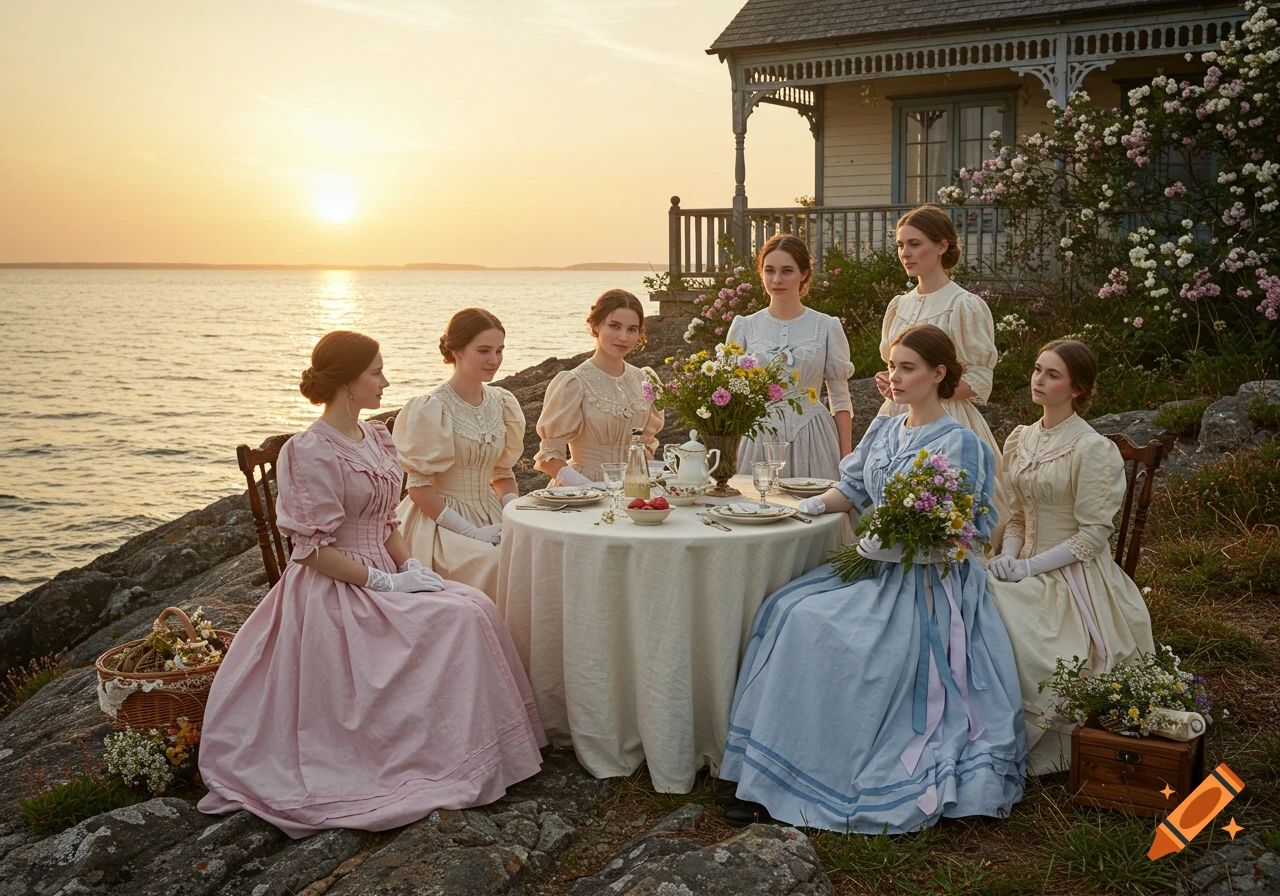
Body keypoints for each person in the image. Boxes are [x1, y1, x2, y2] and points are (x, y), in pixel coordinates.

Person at [198, 331, 546, 837]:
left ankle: (468, 748)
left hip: (384, 568)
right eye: (376, 373)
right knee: (454, 619)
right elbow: (313, 551)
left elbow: (387, 525)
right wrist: (383, 582)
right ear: (346, 383)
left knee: (473, 605)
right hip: (337, 584)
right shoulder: (308, 451)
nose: (385, 381)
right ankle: (427, 756)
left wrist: (409, 568)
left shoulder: (378, 437)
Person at [720, 324, 1025, 833]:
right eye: (891, 367)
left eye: (908, 368)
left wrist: (896, 543)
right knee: (785, 610)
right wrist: (810, 505)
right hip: (876, 566)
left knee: (831, 632)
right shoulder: (885, 428)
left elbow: (967, 533)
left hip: (929, 582)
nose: (894, 377)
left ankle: (820, 775)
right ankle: (763, 767)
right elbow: (854, 488)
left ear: (938, 374)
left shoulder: (962, 443)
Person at [987, 339, 1155, 774]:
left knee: (1008, 619)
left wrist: (1029, 568)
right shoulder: (1021, 439)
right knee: (970, 592)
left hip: (1071, 573)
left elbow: (1093, 536)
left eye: (1053, 375)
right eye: (1038, 370)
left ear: (1078, 388)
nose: (1039, 380)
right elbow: (1019, 516)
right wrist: (1008, 556)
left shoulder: (1091, 448)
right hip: (1021, 562)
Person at [877, 205, 1008, 546]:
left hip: (947, 422)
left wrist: (925, 390)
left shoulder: (964, 304)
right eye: (901, 245)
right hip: (898, 420)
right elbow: (899, 367)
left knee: (947, 514)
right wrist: (894, 381)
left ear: (942, 246)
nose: (906, 253)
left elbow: (980, 379)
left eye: (915, 244)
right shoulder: (898, 305)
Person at [394, 309, 524, 598]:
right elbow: (418, 489)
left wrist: (512, 511)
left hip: (492, 512)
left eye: (500, 350)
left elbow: (502, 474)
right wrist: (472, 533)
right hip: (440, 521)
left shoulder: (502, 402)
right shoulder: (430, 407)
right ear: (456, 351)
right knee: (494, 562)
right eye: (484, 350)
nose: (494, 360)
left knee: (533, 554)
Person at [726, 234, 854, 479]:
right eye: (769, 270)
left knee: (817, 511)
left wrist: (846, 460)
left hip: (814, 437)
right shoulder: (744, 327)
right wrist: (728, 455)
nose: (777, 279)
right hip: (757, 439)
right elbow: (732, 400)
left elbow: (840, 399)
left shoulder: (826, 326)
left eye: (787, 271)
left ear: (804, 273)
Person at [534, 289, 663, 485]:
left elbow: (644, 450)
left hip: (634, 489)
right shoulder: (573, 383)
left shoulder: (645, 380)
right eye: (614, 326)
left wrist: (656, 482)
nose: (623, 337)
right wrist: (590, 487)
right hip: (582, 489)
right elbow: (548, 458)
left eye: (632, 329)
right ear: (596, 325)